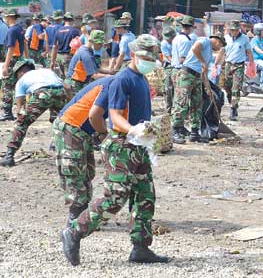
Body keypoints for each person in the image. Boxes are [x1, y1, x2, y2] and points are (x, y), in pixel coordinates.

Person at [60, 34, 170, 266]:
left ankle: (141, 247)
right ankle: (74, 231)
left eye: (152, 57)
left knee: (145, 196)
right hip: (123, 145)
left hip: (137, 146)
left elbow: (97, 111)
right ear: (133, 55)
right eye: (145, 57)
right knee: (115, 198)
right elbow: (115, 116)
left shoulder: (140, 79)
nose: (149, 61)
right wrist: (130, 130)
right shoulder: (123, 79)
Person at [54, 76, 113, 227]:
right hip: (71, 126)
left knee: (87, 172)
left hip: (84, 130)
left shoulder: (116, 84)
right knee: (74, 172)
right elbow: (95, 114)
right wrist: (104, 136)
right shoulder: (112, 85)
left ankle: (83, 215)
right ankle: (74, 219)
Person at [1, 59, 67, 167]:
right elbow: (67, 87)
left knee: (21, 122)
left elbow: (19, 108)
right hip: (60, 92)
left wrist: (22, 114)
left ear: (20, 72)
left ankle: (9, 156)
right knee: (60, 121)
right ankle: (57, 145)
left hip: (42, 93)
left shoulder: (21, 80)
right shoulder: (47, 72)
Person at [172, 32, 227, 144]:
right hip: (187, 73)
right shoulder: (205, 41)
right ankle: (176, 130)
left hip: (198, 77)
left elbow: (204, 72)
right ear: (217, 40)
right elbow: (195, 48)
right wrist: (202, 62)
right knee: (181, 102)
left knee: (197, 105)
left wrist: (208, 88)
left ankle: (195, 132)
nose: (219, 48)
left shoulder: (210, 54)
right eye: (220, 45)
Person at [170, 16, 197, 141]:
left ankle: (179, 127)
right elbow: (183, 59)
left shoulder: (177, 38)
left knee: (179, 99)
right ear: (190, 27)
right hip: (183, 71)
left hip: (176, 70)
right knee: (182, 101)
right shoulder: (185, 41)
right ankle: (175, 129)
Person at [221, 20, 253, 121]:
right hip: (228, 65)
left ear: (238, 30)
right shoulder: (226, 38)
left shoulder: (244, 38)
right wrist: (216, 65)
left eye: (235, 30)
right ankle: (232, 102)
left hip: (239, 66)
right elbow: (222, 52)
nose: (234, 32)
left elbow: (249, 52)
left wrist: (252, 64)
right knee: (227, 87)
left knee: (236, 87)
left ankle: (233, 109)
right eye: (232, 30)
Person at [1, 9, 28, 121]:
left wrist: (6, 66)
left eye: (6, 17)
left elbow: (11, 48)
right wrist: (27, 57)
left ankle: (7, 113)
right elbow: (25, 43)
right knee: (20, 85)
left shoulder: (11, 30)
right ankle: (23, 110)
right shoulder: (19, 29)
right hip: (20, 59)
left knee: (7, 86)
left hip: (13, 59)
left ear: (9, 17)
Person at [65, 30, 109, 95]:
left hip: (78, 83)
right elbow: (95, 75)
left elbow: (96, 69)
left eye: (101, 44)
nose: (101, 46)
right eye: (98, 43)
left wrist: (110, 72)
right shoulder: (86, 54)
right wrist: (111, 76)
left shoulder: (88, 50)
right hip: (74, 85)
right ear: (91, 41)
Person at [50, 12, 81, 79]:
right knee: (69, 78)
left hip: (59, 57)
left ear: (64, 20)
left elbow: (55, 47)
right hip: (68, 57)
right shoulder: (75, 31)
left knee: (61, 78)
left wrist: (52, 61)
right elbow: (78, 46)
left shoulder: (58, 31)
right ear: (72, 20)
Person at [161, 27, 176, 114]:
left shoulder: (178, 41)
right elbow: (168, 57)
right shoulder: (164, 43)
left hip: (180, 64)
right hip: (170, 65)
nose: (168, 40)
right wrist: (175, 63)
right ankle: (168, 109)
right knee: (168, 87)